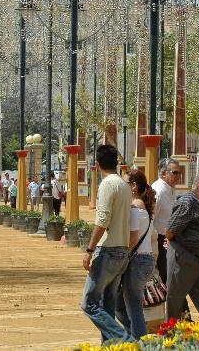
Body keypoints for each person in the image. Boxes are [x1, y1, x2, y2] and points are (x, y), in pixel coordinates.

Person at [80, 144, 133, 343]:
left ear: (98, 164)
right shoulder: (123, 185)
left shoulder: (107, 185)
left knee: (89, 304)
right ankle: (110, 346)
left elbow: (102, 220)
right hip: (122, 250)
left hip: (108, 249)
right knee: (107, 305)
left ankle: (126, 340)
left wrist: (89, 250)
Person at [164, 173, 199, 323]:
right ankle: (170, 339)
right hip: (184, 260)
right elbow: (170, 231)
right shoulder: (187, 203)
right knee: (174, 304)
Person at [115, 169, 156, 340]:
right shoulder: (142, 206)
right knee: (120, 305)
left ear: (133, 186)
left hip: (137, 261)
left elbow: (132, 240)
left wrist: (119, 258)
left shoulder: (134, 207)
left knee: (133, 307)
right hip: (144, 260)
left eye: (125, 183)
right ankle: (133, 337)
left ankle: (140, 342)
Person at [152, 159, 181, 286]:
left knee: (173, 276)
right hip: (159, 240)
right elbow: (151, 219)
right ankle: (179, 305)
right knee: (167, 277)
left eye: (179, 173)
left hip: (171, 239)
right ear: (164, 173)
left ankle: (178, 305)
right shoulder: (157, 191)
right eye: (175, 173)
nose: (178, 176)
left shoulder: (171, 189)